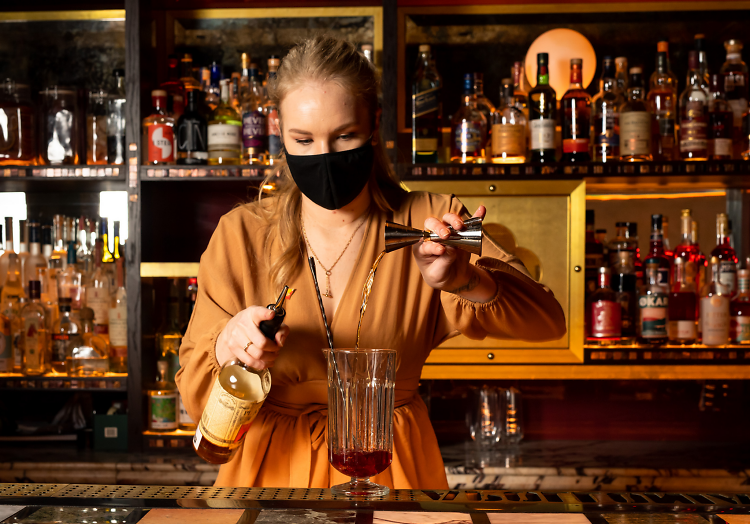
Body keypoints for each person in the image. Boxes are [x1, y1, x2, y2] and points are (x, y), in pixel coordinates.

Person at [177, 36, 566, 489]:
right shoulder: (240, 233)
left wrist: (463, 279)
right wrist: (229, 345)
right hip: (269, 474)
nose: (324, 157)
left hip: (391, 470)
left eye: (345, 136)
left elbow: (547, 321)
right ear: (280, 133)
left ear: (375, 124)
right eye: (303, 140)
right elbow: (194, 395)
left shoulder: (429, 219)